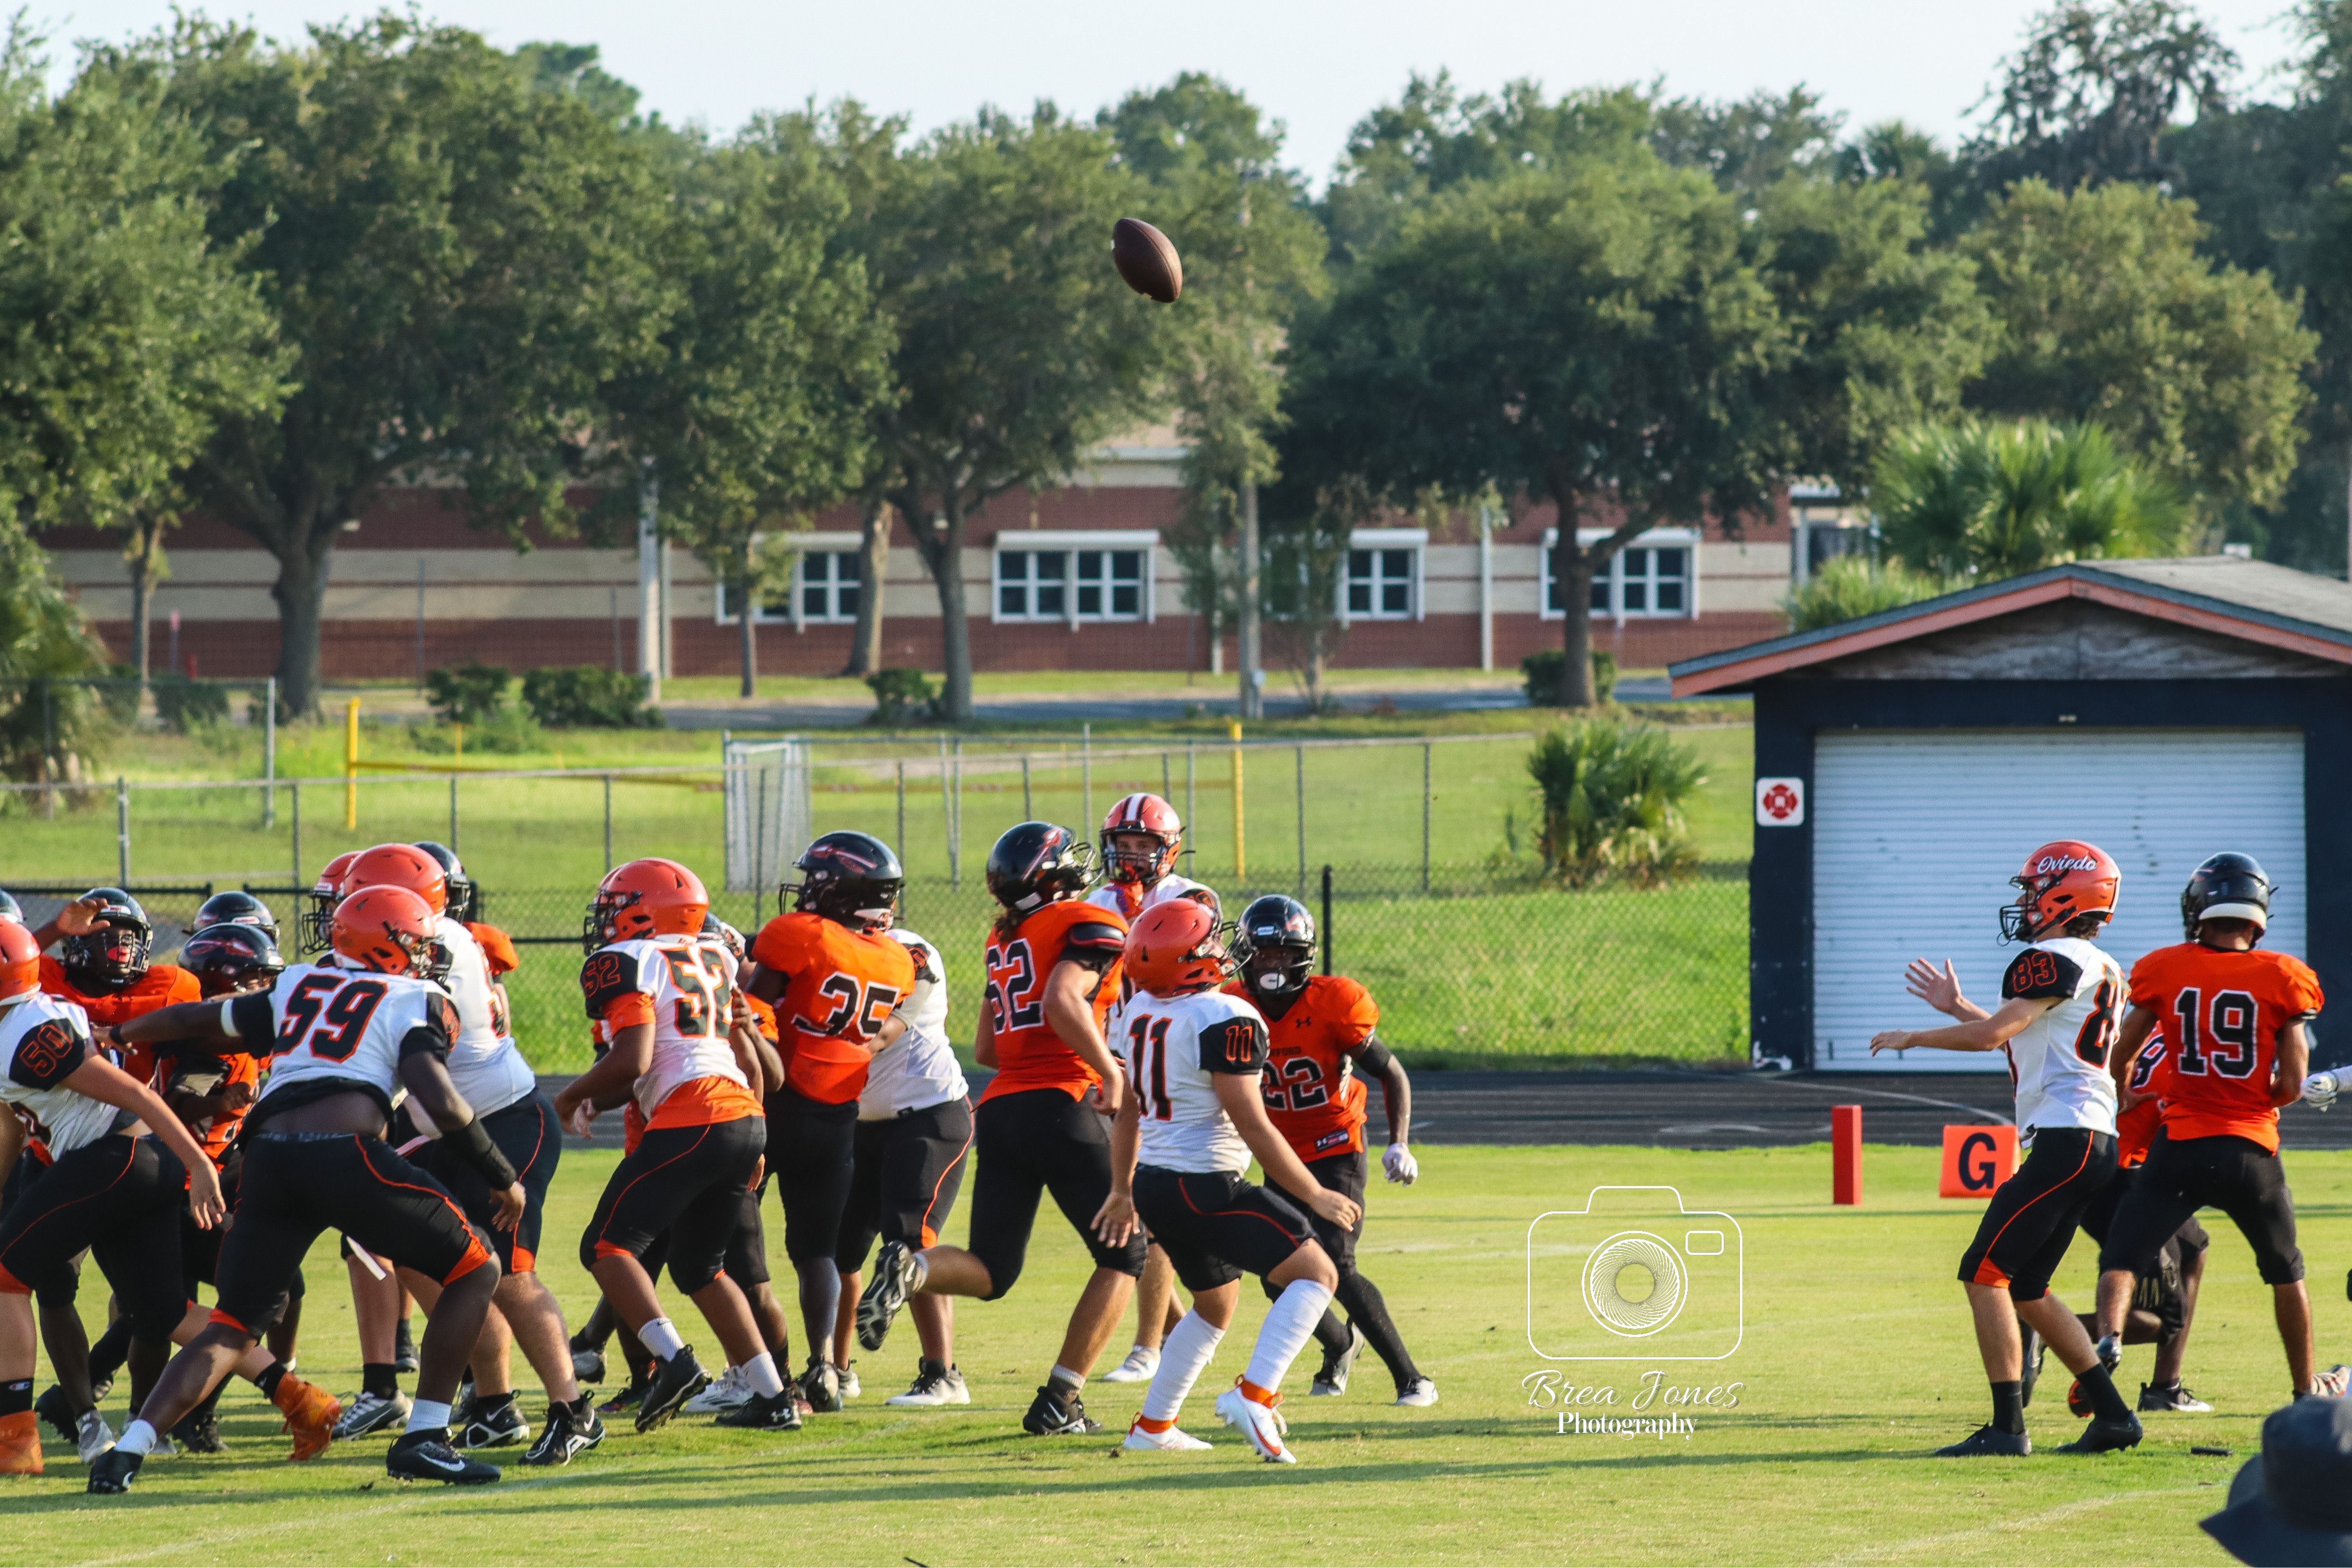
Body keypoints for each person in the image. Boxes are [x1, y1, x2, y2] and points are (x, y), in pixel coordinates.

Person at [87, 884, 521, 1494]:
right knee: (477, 1269)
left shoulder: (298, 983)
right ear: (390, 944)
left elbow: (194, 1020)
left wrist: (119, 1035)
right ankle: (425, 1437)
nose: (428, 953)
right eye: (419, 942)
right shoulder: (414, 998)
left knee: (231, 1325)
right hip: (344, 1153)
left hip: (268, 1161)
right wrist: (503, 1177)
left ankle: (127, 1452)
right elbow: (443, 1102)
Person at [856, 821, 1148, 1437]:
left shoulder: (1005, 936)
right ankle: (1060, 1401)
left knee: (992, 1269)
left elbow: (989, 1047)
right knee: (1125, 1256)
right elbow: (1062, 1001)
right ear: (1054, 877)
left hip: (1002, 1107)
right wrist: (1108, 1070)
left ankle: (915, 1268)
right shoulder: (1086, 922)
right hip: (1063, 1103)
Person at [1871, 839, 2141, 1457]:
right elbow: (2026, 1037)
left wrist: (1914, 1036)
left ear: (2066, 896)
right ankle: (2115, 1417)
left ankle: (2007, 1429)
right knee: (2027, 1287)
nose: (2026, 903)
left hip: (2067, 1139)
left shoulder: (2049, 958)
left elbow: (1993, 1036)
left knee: (1983, 1272)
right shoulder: (2100, 964)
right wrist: (1957, 1007)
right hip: (2091, 1139)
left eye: (2033, 891)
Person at [332, 841, 597, 1463]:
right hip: (443, 1130)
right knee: (422, 1252)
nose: (348, 914)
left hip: (502, 1122)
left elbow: (404, 1056)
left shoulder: (436, 947)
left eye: (360, 899)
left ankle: (573, 1410)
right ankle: (494, 1401)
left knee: (510, 1272)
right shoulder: (416, 944)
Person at [1100, 898, 1362, 1461]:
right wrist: (1315, 1193)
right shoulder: (1226, 1017)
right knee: (1318, 1273)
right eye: (1209, 944)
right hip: (1204, 1184)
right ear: (1187, 960)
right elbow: (1252, 1122)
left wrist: (1122, 1189)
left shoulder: (1139, 1009)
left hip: (1154, 1184)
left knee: (1215, 1304)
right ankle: (1255, 1396)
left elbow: (1129, 1111)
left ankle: (1154, 1425)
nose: (1221, 950)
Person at [2093, 853, 2342, 1404]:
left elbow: (2122, 1052)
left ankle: (2109, 1341)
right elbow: (2293, 1082)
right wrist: (2254, 1096)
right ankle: (2304, 1391)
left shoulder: (2164, 967)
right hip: (2252, 1148)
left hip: (2179, 1143)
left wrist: (2126, 1088)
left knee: (2122, 1257)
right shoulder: (2285, 975)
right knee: (2285, 1271)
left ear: (2199, 908)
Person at [555, 859, 788, 1435]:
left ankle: (675, 1362)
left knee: (605, 1246)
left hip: (693, 1116)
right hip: (742, 1115)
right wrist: (597, 1100)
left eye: (615, 909)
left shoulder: (629, 959)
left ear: (646, 911)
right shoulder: (716, 957)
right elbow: (722, 1057)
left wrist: (569, 1096)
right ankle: (773, 1396)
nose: (605, 923)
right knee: (700, 1266)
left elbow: (633, 1058)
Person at [0, 920, 228, 1476]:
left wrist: (199, 1163)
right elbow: (10, 1125)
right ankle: (296, 1395)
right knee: (164, 1311)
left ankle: (16, 1438)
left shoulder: (27, 1035)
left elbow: (135, 1095)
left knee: (7, 1276)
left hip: (115, 1156)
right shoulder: (26, 1017)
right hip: (124, 1158)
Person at [72, 920, 307, 1455]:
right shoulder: (210, 1047)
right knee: (185, 1308)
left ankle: (88, 1395)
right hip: (180, 1189)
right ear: (226, 979)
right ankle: (177, 1413)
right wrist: (221, 1104)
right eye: (256, 979)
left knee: (163, 1310)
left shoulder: (231, 1035)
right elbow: (178, 1106)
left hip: (198, 1183)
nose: (265, 991)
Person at [1229, 895, 1435, 1405]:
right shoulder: (1231, 1006)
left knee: (1336, 1265)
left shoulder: (1335, 1002)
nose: (1272, 965)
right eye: (1263, 953)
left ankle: (1412, 1378)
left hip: (1335, 1142)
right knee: (1278, 1273)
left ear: (1303, 956)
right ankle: (1341, 1344)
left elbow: (1391, 1072)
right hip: (1280, 1153)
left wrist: (1400, 1142)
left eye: (1283, 953)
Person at [740, 832, 916, 1416]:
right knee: (817, 1252)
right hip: (838, 1116)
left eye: (817, 880)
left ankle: (765, 1375)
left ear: (843, 891)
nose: (807, 889)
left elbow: (755, 1008)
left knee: (736, 1245)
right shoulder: (897, 959)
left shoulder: (802, 934)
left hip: (775, 1102)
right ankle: (823, 1367)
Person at [1086, 793, 1218, 1388]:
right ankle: (1177, 1329)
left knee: (1151, 1204)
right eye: (1125, 845)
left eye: (1145, 845)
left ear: (1169, 850)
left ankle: (1149, 1346)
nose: (1133, 855)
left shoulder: (1192, 899)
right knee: (1116, 1207)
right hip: (1114, 1059)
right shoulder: (1095, 903)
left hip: (1167, 1059)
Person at [829, 927, 972, 1408]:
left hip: (928, 1113)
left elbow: (882, 1034)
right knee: (841, 1249)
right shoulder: (833, 951)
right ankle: (836, 1371)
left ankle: (942, 1374)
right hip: (864, 1121)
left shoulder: (909, 952)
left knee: (910, 1243)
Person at [2053, 1028, 2212, 1417]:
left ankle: (2166, 1388)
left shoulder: (2150, 1026)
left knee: (2194, 1248)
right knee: (2161, 1320)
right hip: (2122, 1175)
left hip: (2115, 1166)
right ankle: (2046, 1327)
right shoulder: (2189, 1049)